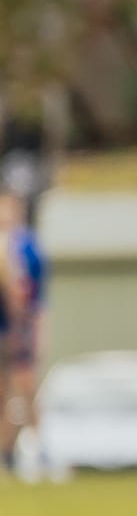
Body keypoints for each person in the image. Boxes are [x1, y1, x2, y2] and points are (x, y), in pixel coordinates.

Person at [0, 190, 41, 464]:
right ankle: (5, 454)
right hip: (5, 329)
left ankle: (37, 450)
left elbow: (34, 301)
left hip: (16, 331)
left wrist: (30, 331)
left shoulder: (28, 248)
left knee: (25, 390)